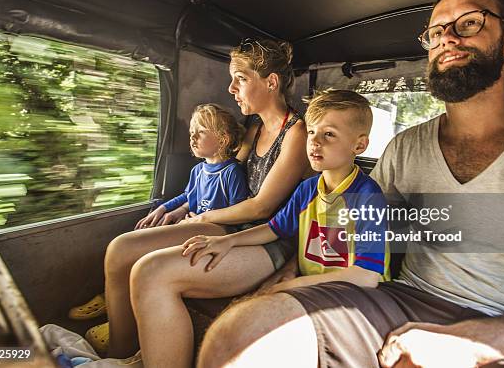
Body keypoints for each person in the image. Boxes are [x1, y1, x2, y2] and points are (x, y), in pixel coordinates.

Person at [196, 0, 504, 368]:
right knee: (240, 335)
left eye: (469, 24)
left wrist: (478, 340)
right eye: (435, 31)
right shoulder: (405, 148)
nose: (446, 38)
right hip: (402, 302)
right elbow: (360, 238)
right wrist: (287, 275)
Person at [87, 39, 309, 364]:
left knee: (150, 271)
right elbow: (223, 171)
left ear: (271, 82)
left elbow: (262, 207)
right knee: (120, 249)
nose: (231, 88)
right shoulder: (254, 126)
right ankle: (120, 357)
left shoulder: (297, 133)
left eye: (241, 78)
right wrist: (180, 208)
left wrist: (202, 219)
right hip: (230, 226)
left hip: (268, 241)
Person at [182, 89, 390, 290]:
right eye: (311, 132)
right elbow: (274, 228)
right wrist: (227, 241)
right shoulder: (308, 189)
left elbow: (366, 275)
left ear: (360, 145)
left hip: (353, 292)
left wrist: (292, 285)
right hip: (313, 284)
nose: (314, 142)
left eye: (329, 134)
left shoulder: (367, 196)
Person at [70, 103, 248, 322]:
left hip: (211, 232)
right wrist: (165, 208)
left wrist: (202, 220)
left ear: (223, 139)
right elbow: (188, 196)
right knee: (144, 236)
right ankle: (111, 299)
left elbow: (239, 212)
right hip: (190, 224)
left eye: (200, 132)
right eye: (191, 132)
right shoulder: (198, 170)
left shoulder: (231, 172)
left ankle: (118, 308)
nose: (192, 138)